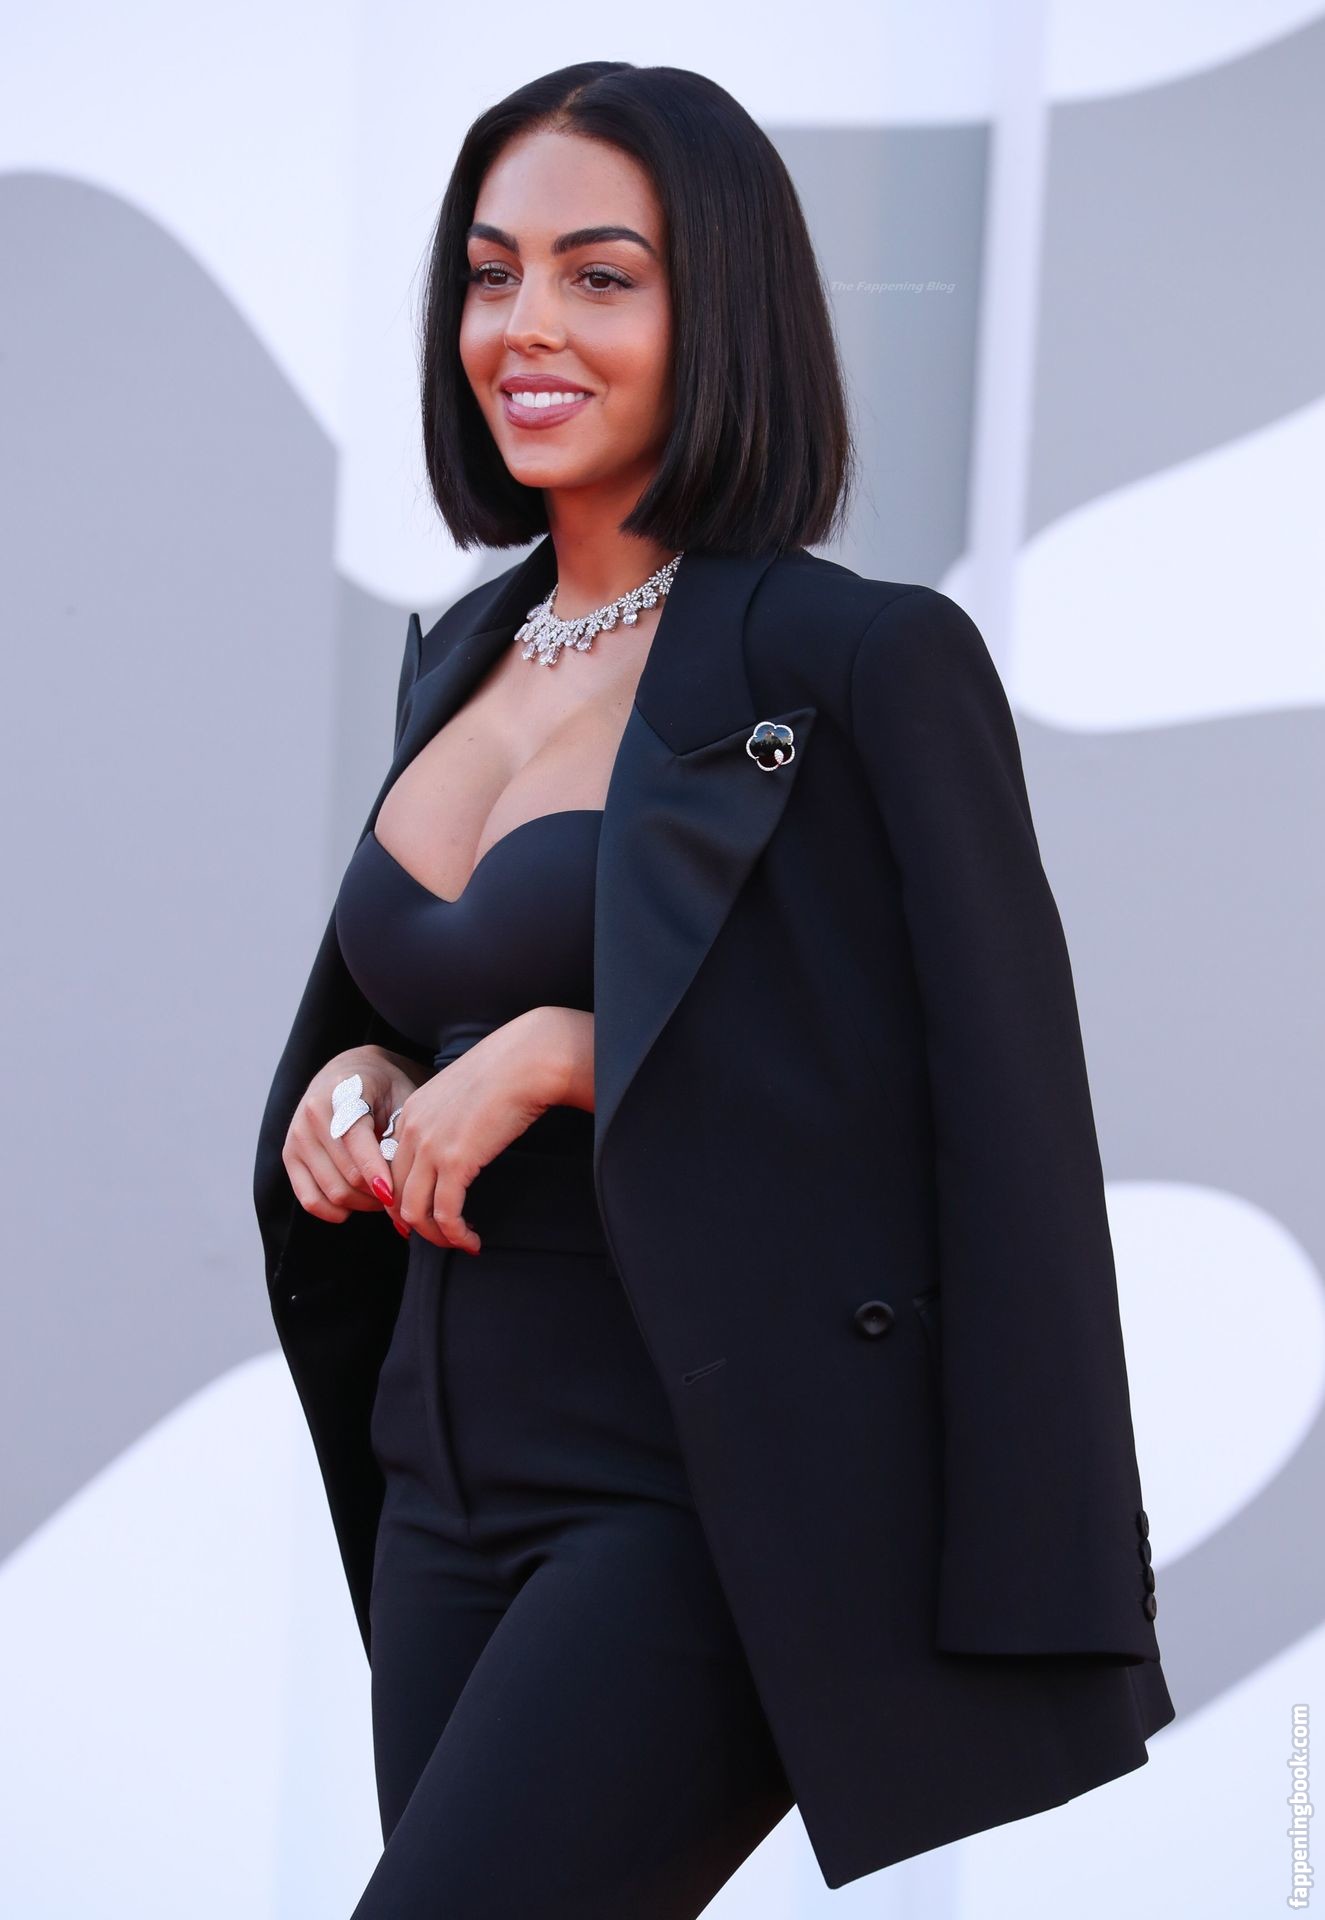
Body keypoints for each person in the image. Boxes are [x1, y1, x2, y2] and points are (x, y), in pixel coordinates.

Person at [253, 61, 1174, 1914]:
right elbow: (425, 1002)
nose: (525, 325)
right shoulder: (466, 654)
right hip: (439, 1480)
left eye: (599, 275)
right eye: (491, 273)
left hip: (696, 1489)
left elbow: (981, 1114)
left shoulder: (859, 661)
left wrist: (573, 1054)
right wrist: (360, 1082)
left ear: (722, 309)